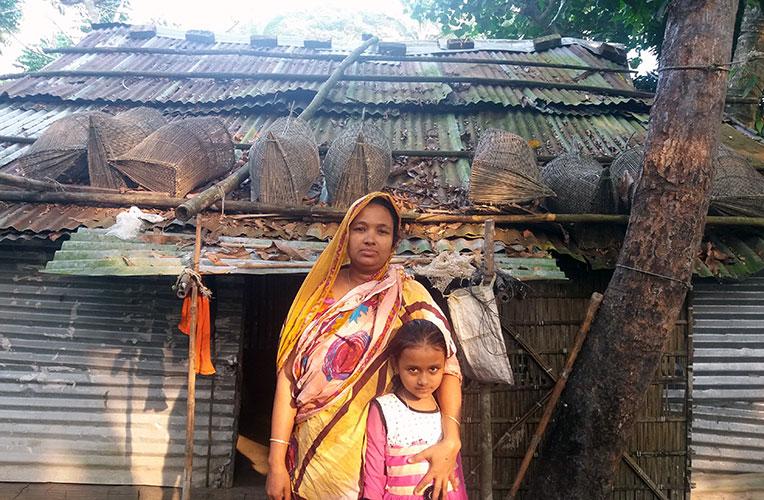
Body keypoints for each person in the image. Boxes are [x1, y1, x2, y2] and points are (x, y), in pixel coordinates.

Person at [266, 192, 464, 500]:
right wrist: (276, 462)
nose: (370, 239)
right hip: (318, 463)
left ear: (394, 242)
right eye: (360, 229)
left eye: (381, 231)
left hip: (387, 464)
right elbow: (289, 379)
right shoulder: (315, 300)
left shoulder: (409, 295)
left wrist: (451, 439)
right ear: (346, 235)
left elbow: (448, 368)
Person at [362, 319, 468, 500]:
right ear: (396, 365)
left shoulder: (445, 412)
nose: (423, 381)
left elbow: (455, 476)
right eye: (413, 370)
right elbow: (374, 475)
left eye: (433, 369)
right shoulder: (384, 409)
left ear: (444, 365)